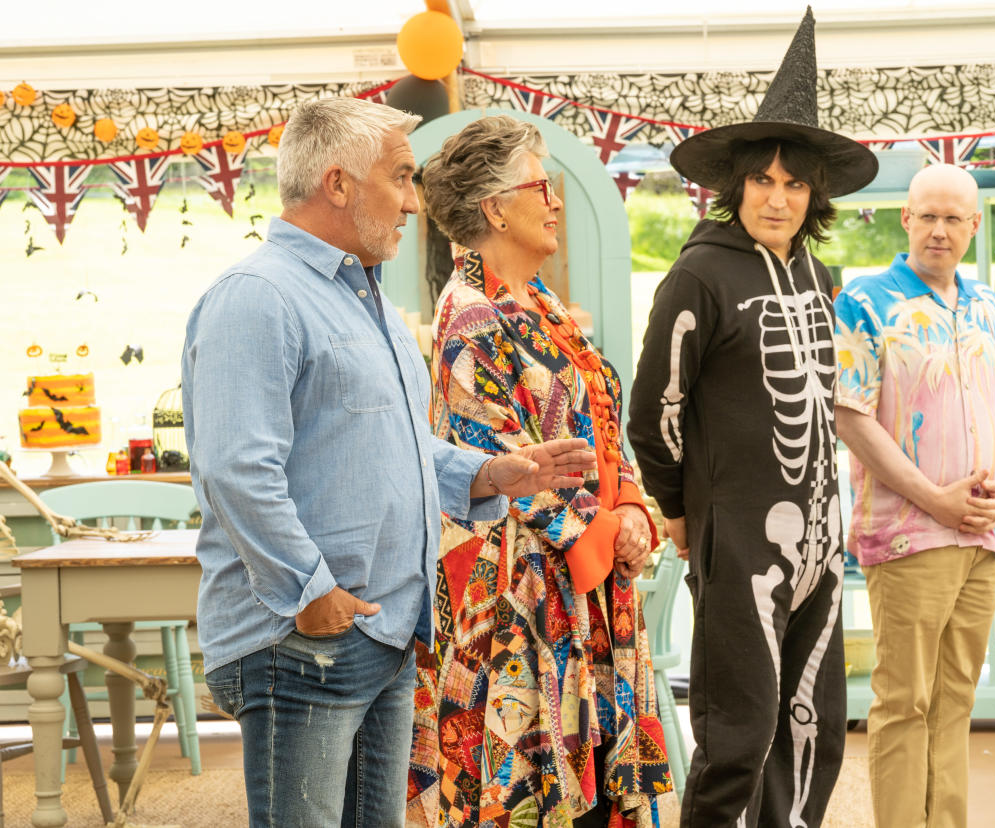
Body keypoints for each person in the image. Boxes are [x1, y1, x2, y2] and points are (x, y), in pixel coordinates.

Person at [181, 97, 596, 828]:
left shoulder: (367, 304)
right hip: (302, 640)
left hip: (384, 635)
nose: (413, 203)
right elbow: (234, 470)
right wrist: (311, 593)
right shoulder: (258, 298)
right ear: (338, 184)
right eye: (401, 179)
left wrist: (486, 474)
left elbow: (397, 447)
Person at [627, 10, 878, 827]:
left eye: (794, 183)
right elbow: (653, 409)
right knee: (740, 729)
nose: (778, 198)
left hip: (819, 534)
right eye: (763, 181)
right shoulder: (698, 276)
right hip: (737, 535)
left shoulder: (821, 276)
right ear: (736, 186)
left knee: (814, 725)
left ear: (816, 195)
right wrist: (680, 507)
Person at [407, 113, 673, 827]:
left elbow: (602, 432)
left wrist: (637, 512)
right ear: (495, 207)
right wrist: (604, 533)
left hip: (584, 585)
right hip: (523, 599)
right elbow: (505, 472)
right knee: (529, 795)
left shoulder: (540, 302)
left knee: (591, 796)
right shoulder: (470, 318)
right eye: (541, 185)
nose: (554, 200)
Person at [833, 163, 995, 828]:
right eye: (928, 216)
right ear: (905, 220)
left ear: (975, 226)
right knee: (904, 701)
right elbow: (850, 416)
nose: (939, 231)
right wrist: (934, 500)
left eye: (954, 219)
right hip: (907, 534)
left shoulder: (989, 306)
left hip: (982, 534)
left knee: (955, 702)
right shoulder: (864, 301)